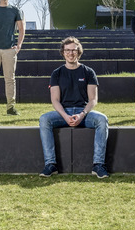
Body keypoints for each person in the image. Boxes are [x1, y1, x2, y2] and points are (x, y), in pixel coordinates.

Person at [38, 37, 110, 179]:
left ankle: (98, 165)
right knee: (44, 119)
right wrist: (65, 116)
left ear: (79, 52)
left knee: (102, 119)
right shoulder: (57, 73)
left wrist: (82, 115)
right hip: (63, 113)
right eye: (67, 50)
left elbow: (93, 100)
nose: (71, 53)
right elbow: (55, 100)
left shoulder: (88, 72)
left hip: (84, 113)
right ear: (63, 53)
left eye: (74, 50)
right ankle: (51, 164)